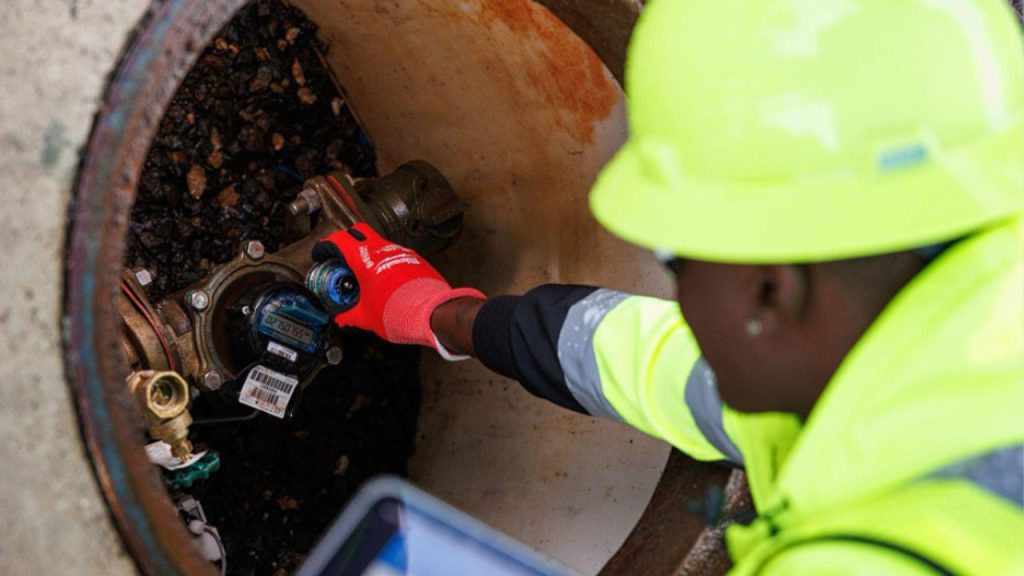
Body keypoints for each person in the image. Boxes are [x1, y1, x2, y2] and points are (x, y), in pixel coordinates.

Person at [313, 0, 1024, 573]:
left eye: (677, 267)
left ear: (771, 293)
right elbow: (652, 362)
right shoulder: (903, 346)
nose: (679, 303)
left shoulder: (872, 557)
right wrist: (442, 315)